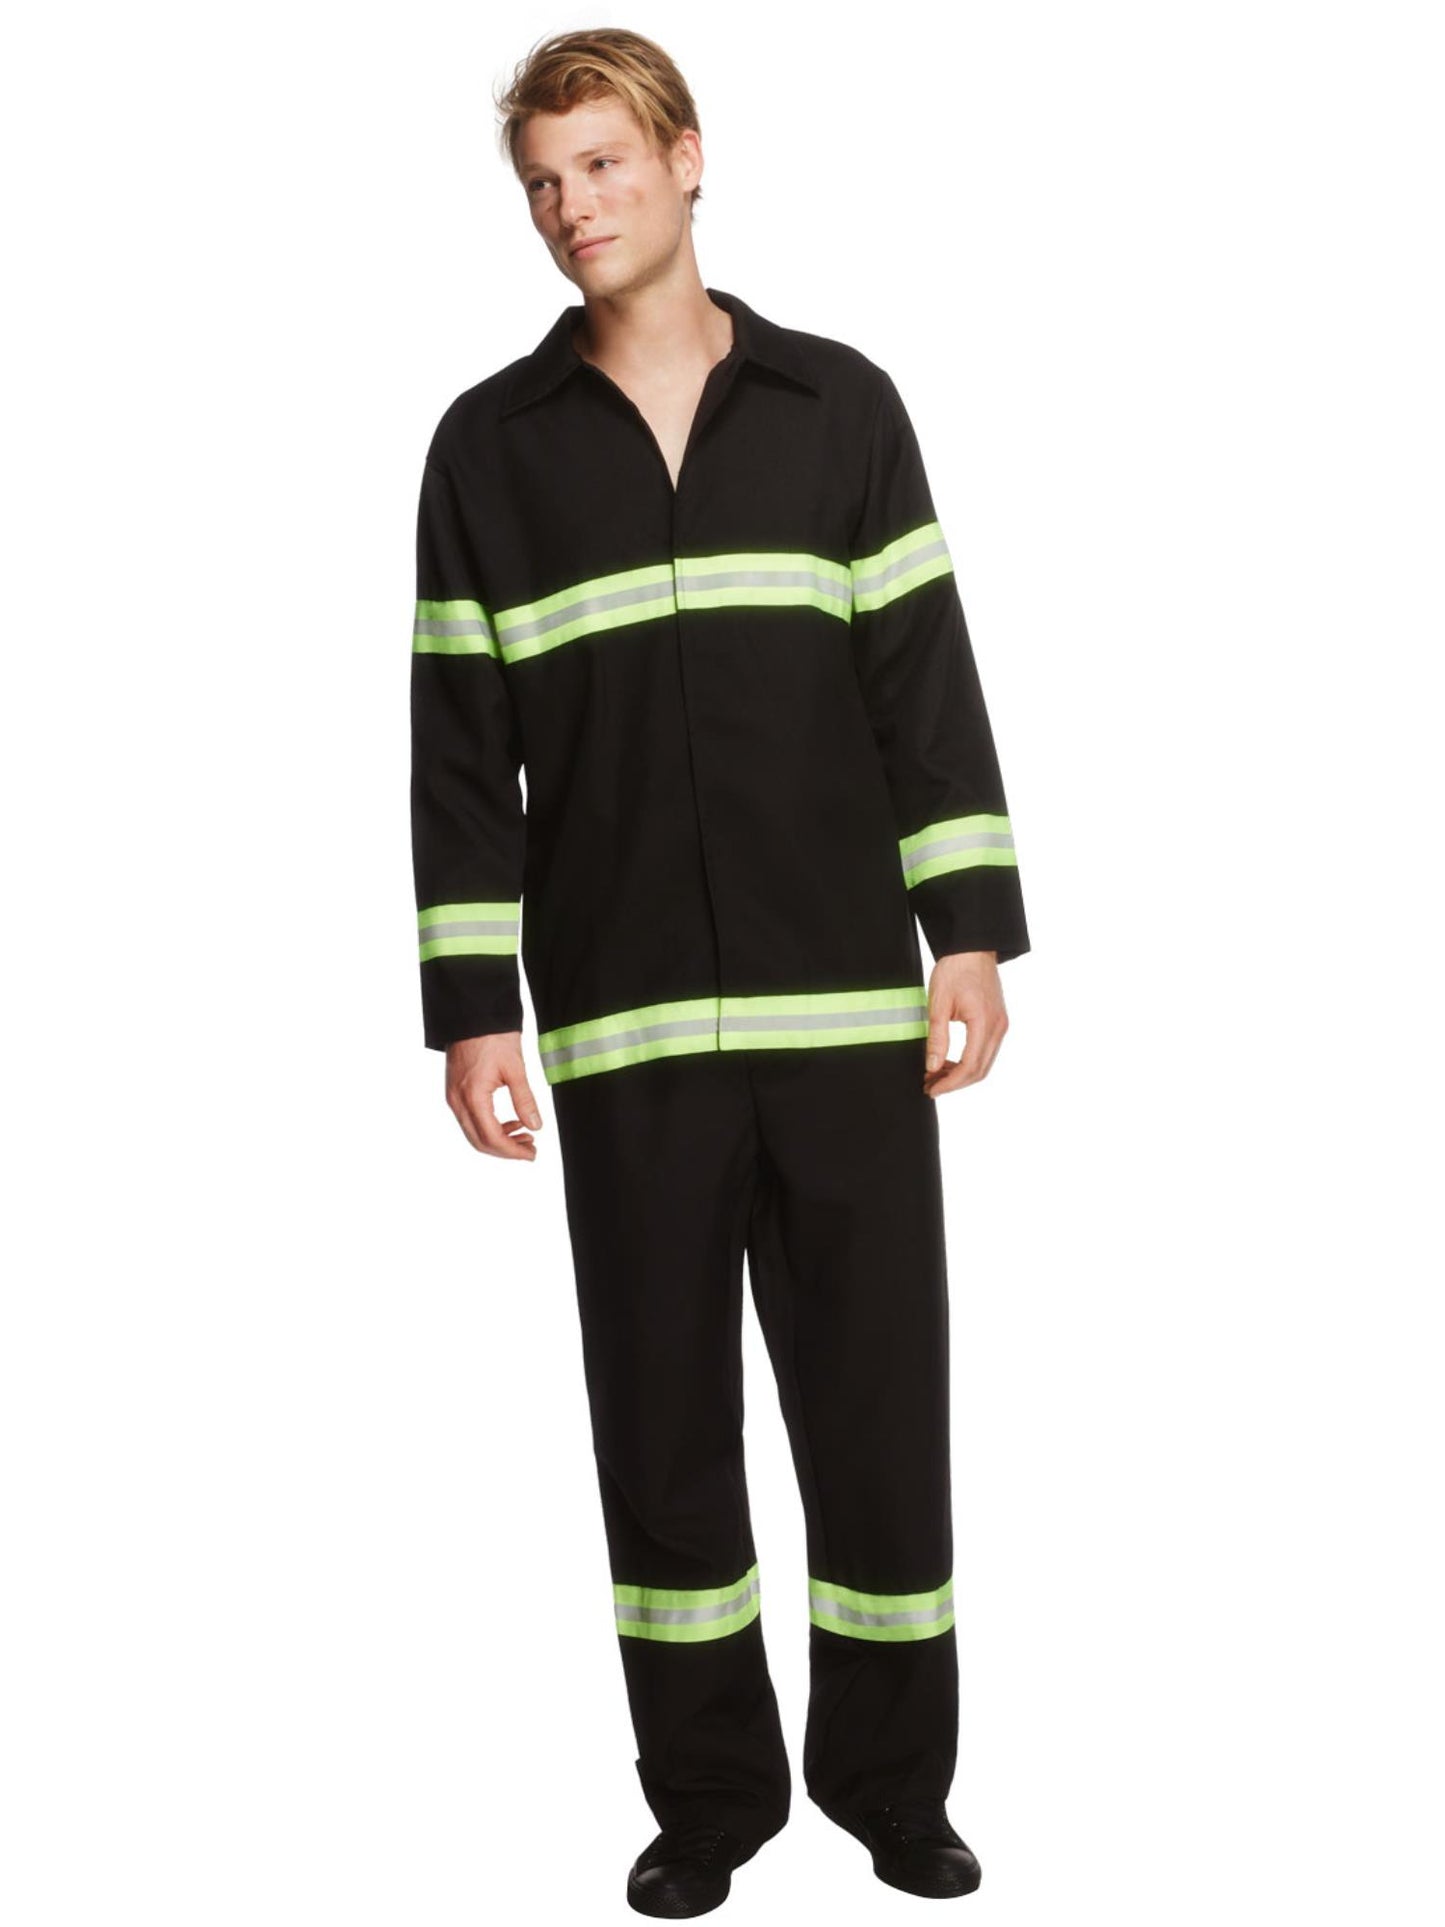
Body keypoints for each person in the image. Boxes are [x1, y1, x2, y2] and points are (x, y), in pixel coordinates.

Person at [409, 27, 1030, 1917]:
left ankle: (892, 1790)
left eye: (601, 163)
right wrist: (472, 1010)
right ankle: (707, 1802)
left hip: (847, 1025)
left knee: (878, 1423)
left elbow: (922, 686)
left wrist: (969, 929)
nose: (570, 206)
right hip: (626, 1038)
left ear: (687, 158)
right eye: (542, 180)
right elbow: (459, 751)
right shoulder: (489, 451)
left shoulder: (842, 409)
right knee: (662, 1439)